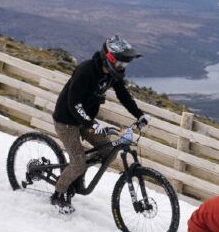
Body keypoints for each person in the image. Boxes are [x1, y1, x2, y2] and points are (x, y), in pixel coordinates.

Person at [49, 35, 148, 214]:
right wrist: (91, 123)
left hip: (85, 120)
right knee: (78, 161)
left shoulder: (111, 75)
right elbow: (74, 103)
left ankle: (75, 175)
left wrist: (139, 115)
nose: (122, 67)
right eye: (121, 63)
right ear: (109, 58)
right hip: (66, 121)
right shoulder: (86, 70)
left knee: (107, 150)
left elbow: (123, 95)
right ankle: (59, 193)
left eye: (125, 65)